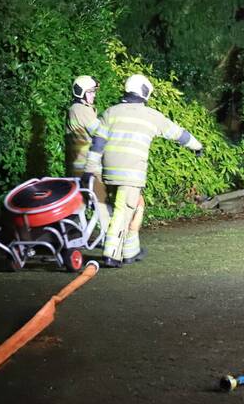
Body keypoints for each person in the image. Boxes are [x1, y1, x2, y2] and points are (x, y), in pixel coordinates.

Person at [82, 74, 202, 267]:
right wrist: (197, 146)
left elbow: (97, 144)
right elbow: (178, 133)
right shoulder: (152, 116)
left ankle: (130, 251)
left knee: (136, 205)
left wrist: (89, 170)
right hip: (131, 174)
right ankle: (111, 253)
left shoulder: (110, 112)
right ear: (145, 92)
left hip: (109, 172)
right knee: (124, 209)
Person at [65, 75, 109, 232]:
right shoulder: (80, 110)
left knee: (80, 205)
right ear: (81, 93)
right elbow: (100, 132)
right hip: (87, 167)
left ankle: (69, 239)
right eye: (90, 92)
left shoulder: (77, 109)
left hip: (80, 166)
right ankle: (111, 245)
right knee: (102, 202)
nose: (94, 95)